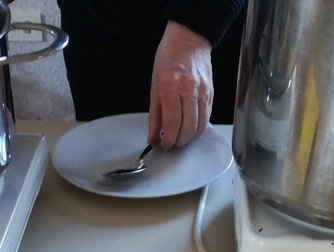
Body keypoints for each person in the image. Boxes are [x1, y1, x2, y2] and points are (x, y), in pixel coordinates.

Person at [56, 0, 246, 150]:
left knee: (212, 159)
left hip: (205, 29)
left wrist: (192, 35)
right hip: (95, 22)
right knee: (101, 159)